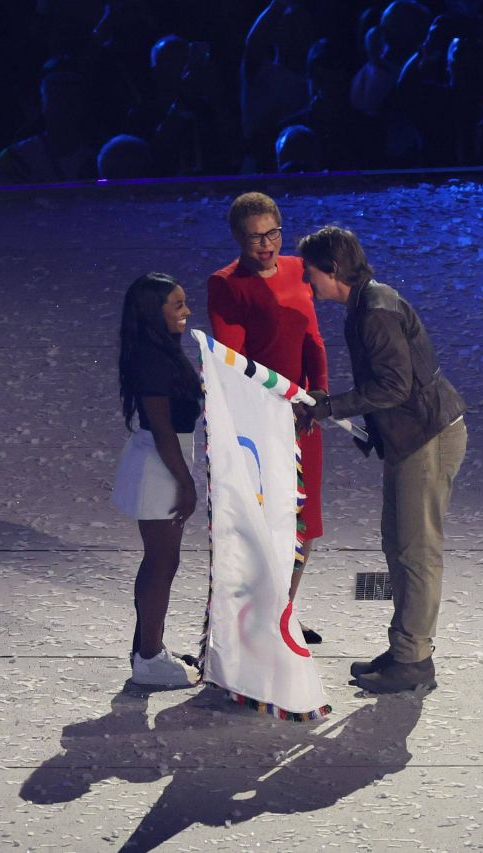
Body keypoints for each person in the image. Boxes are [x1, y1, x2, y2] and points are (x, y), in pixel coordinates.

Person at [296, 225, 467, 694]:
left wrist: (332, 407)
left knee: (417, 552)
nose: (308, 284)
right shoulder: (366, 303)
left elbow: (395, 387)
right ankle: (405, 648)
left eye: (311, 273)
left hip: (425, 439)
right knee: (399, 545)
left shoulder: (375, 310)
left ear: (332, 269)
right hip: (408, 438)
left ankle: (413, 660)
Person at [207, 192, 328, 644]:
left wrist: (319, 397)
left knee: (304, 519)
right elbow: (232, 362)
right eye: (255, 237)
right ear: (239, 238)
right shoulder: (226, 284)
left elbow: (313, 339)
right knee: (266, 520)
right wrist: (276, 404)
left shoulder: (298, 269)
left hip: (304, 417)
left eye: (273, 233)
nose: (266, 245)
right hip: (261, 421)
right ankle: (255, 618)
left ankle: (285, 613)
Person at [111, 272, 202, 688]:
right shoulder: (151, 358)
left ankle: (149, 647)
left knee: (163, 561)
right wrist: (186, 483)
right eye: (177, 305)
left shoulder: (161, 348)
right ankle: (148, 657)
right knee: (161, 562)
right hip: (161, 464)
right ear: (154, 312)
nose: (186, 312)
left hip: (165, 457)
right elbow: (164, 430)